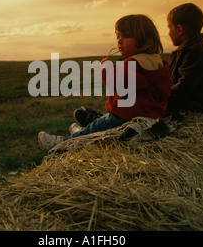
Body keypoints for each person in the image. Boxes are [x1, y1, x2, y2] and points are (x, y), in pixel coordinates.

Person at [38, 14, 172, 152]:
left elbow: (117, 84)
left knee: (98, 127)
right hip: (149, 115)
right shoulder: (157, 62)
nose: (119, 41)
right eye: (118, 36)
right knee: (102, 122)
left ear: (146, 41)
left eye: (125, 37)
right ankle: (84, 130)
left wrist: (106, 67)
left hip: (129, 116)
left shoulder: (135, 63)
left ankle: (63, 144)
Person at [166, 3, 203, 114]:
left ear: (179, 29)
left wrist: (159, 98)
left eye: (169, 27)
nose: (168, 32)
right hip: (183, 101)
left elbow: (183, 88)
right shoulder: (183, 51)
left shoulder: (197, 52)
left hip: (195, 105)